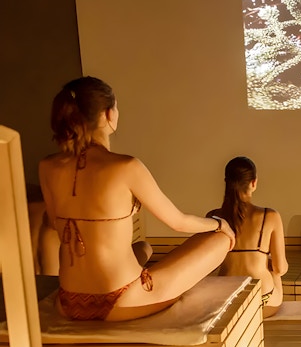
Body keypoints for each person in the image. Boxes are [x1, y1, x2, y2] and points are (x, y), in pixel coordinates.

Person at [39, 76, 236, 322]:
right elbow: (179, 223)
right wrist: (219, 224)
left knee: (143, 248)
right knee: (218, 241)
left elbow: (50, 228)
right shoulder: (126, 166)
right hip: (122, 301)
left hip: (68, 301)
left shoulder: (47, 166)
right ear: (108, 115)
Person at [207, 156, 288, 317]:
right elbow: (281, 268)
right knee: (274, 271)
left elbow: (210, 264)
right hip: (262, 300)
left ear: (227, 183)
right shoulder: (269, 216)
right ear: (253, 182)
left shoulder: (213, 217)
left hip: (227, 299)